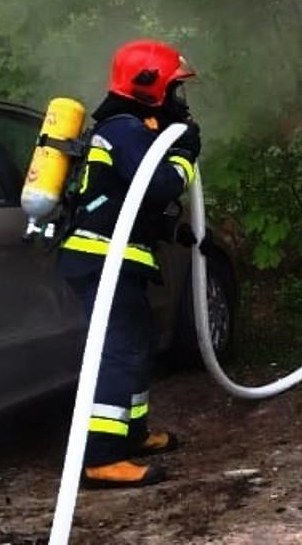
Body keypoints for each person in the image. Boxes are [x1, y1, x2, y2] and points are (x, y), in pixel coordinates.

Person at [56, 39, 200, 489]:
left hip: (115, 255)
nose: (178, 97)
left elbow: (127, 201)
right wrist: (184, 154)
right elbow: (156, 185)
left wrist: (168, 230)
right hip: (102, 257)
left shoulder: (131, 129)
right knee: (119, 352)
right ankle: (101, 457)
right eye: (173, 87)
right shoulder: (123, 130)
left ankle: (131, 434)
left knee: (136, 347)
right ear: (149, 86)